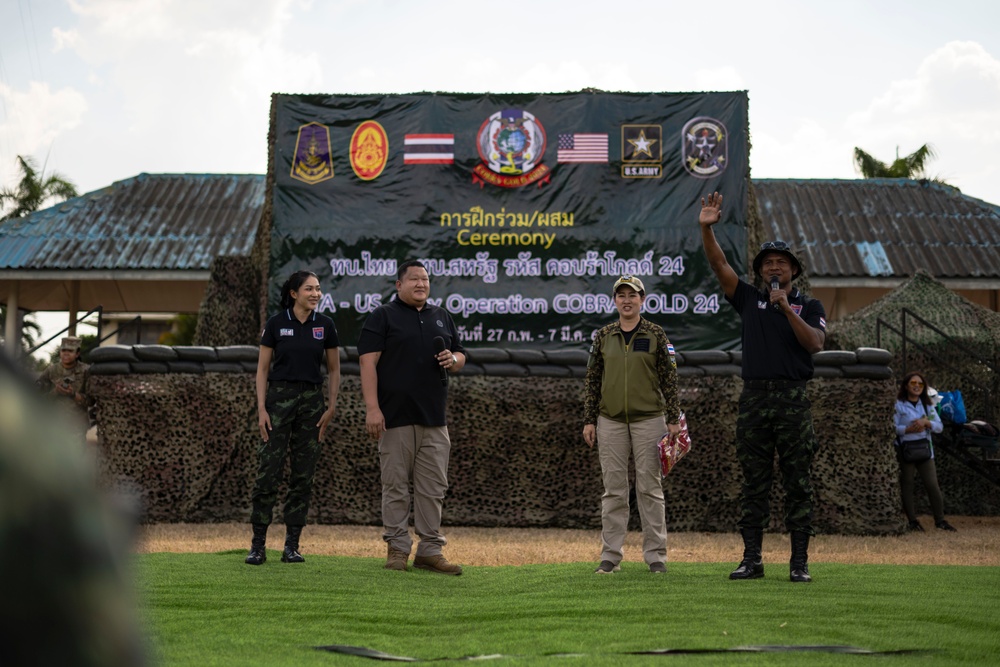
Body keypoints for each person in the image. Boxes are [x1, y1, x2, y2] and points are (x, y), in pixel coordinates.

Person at [698, 192, 827, 583]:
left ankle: (798, 563)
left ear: (793, 272)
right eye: (768, 263)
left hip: (792, 401)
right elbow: (719, 264)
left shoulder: (811, 306)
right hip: (754, 398)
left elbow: (815, 345)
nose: (774, 268)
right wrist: (706, 228)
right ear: (760, 271)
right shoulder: (749, 298)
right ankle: (752, 560)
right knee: (754, 482)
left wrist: (786, 307)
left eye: (781, 264)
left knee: (797, 482)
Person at [358, 260, 465, 575]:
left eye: (426, 279)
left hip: (434, 418)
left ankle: (429, 551)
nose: (421, 284)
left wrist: (454, 359)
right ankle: (397, 549)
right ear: (398, 285)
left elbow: (460, 354)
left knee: (433, 488)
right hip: (394, 418)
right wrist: (373, 408)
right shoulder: (382, 317)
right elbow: (367, 363)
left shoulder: (442, 317)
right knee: (395, 486)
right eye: (414, 279)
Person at [583, 275, 681, 574]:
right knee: (613, 490)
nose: (627, 300)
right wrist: (589, 419)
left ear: (642, 299)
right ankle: (610, 557)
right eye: (621, 295)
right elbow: (592, 380)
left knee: (650, 489)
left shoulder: (656, 334)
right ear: (615, 300)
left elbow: (670, 378)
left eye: (633, 295)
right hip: (609, 421)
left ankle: (656, 558)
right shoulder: (603, 335)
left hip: (650, 419)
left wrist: (674, 418)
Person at [246, 270, 341, 565]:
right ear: (294, 293)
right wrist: (261, 408)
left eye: (318, 289)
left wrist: (331, 406)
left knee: (303, 476)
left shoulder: (325, 326)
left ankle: (292, 547)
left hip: (312, 403)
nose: (315, 294)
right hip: (278, 401)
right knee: (268, 473)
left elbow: (335, 370)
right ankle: (258, 546)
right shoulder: (276, 324)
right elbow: (262, 370)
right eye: (309, 289)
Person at [894, 372, 956, 532]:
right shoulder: (898, 404)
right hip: (906, 449)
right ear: (906, 386)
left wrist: (926, 423)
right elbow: (892, 428)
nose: (917, 386)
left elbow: (939, 426)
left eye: (920, 384)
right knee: (907, 485)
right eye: (913, 383)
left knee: (932, 485)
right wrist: (907, 429)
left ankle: (940, 520)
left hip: (924, 450)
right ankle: (912, 522)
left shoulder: (927, 405)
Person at [37, 335, 92, 435]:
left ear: (77, 353)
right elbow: (38, 398)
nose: (66, 353)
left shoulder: (86, 371)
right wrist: (55, 392)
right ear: (60, 352)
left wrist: (73, 394)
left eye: (70, 351)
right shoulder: (51, 371)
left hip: (77, 426)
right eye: (63, 350)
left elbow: (91, 401)